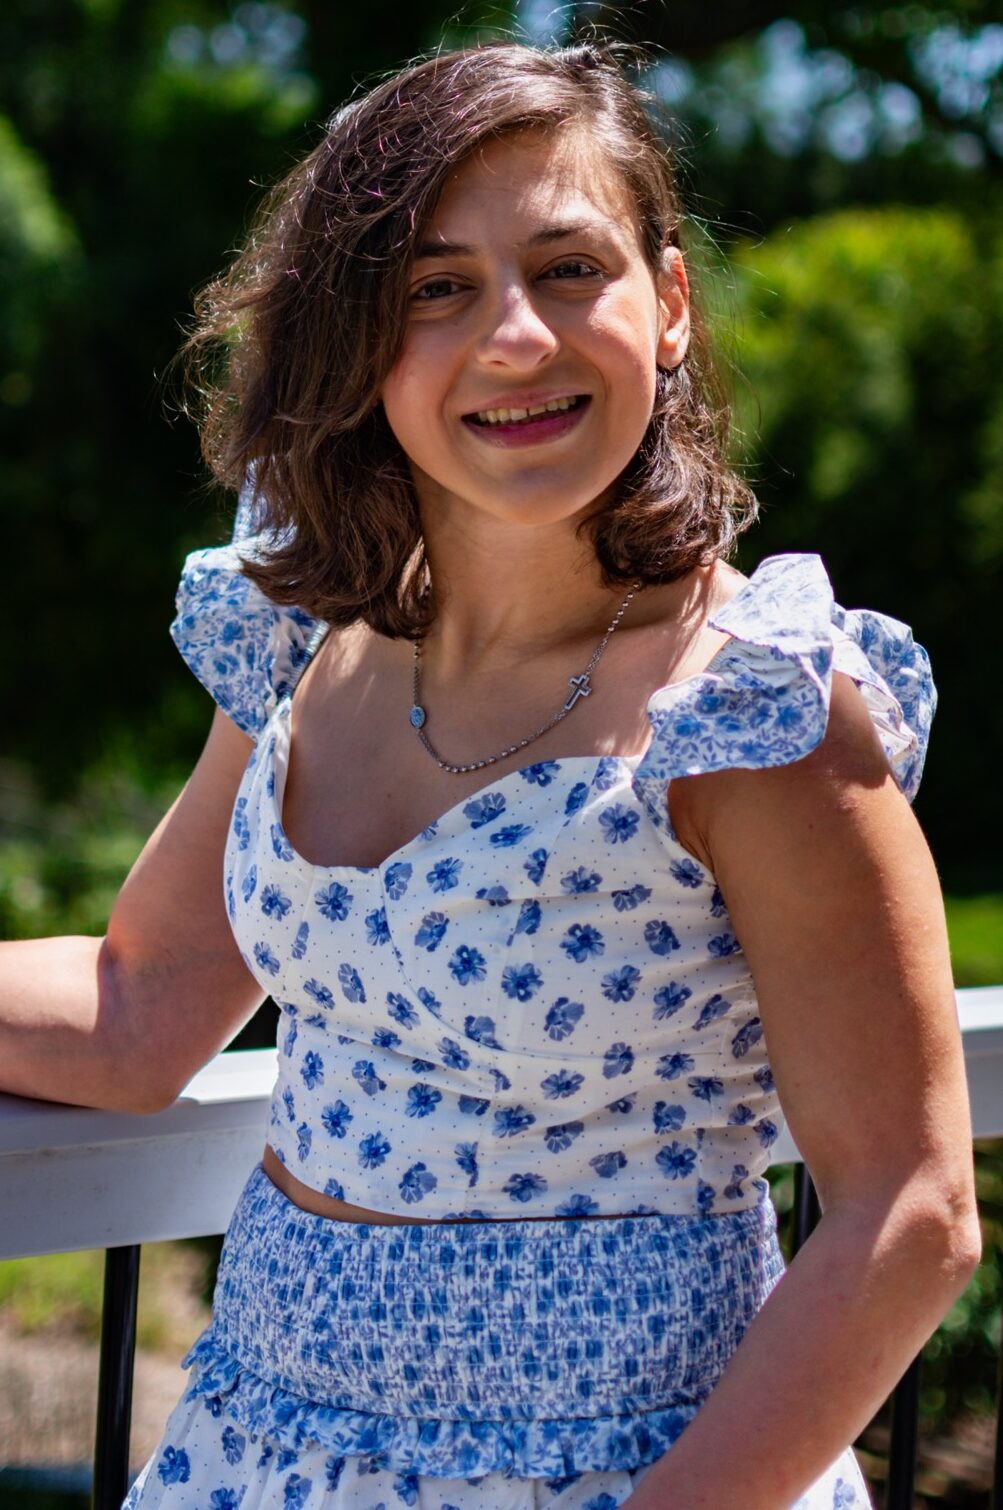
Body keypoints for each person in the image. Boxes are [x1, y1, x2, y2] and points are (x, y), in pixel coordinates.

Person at [2, 39, 980, 1510]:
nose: (515, 337)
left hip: (621, 1475)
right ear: (357, 342)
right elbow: (140, 1006)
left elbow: (912, 1212)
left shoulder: (753, 711)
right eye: (434, 289)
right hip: (259, 1450)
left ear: (669, 304)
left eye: (570, 269)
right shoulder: (309, 641)